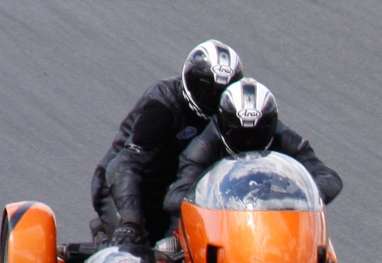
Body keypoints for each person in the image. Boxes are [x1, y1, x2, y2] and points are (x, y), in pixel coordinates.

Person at [92, 40, 244, 246]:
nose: (213, 100)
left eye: (222, 94)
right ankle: (103, 241)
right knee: (135, 248)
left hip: (174, 190)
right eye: (206, 90)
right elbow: (123, 165)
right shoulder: (163, 106)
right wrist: (130, 221)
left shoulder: (232, 113)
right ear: (189, 79)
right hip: (125, 186)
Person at [162, 78, 343, 215]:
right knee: (172, 246)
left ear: (271, 124)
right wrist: (205, 201)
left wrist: (305, 199)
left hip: (272, 218)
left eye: (258, 132)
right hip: (222, 220)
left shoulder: (284, 137)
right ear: (224, 125)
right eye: (240, 133)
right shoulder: (203, 146)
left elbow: (328, 177)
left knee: (324, 253)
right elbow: (175, 197)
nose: (249, 142)